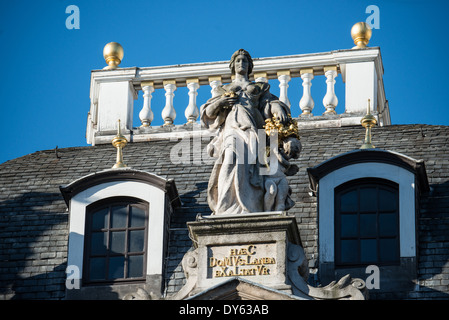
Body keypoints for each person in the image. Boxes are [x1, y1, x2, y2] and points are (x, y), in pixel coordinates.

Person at [200, 49, 293, 215]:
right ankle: (226, 205)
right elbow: (208, 112)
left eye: (244, 61)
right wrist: (221, 102)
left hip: (253, 130)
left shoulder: (258, 88)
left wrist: (277, 106)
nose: (241, 63)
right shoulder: (224, 89)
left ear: (250, 66)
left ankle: (249, 205)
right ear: (232, 65)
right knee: (230, 158)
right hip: (231, 129)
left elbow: (269, 103)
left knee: (251, 164)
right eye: (238, 60)